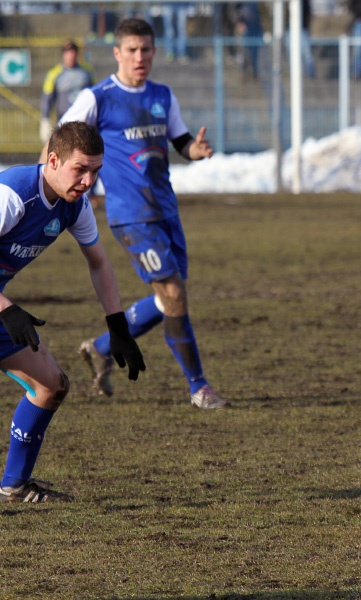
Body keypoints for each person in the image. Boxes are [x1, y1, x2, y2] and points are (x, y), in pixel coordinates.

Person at [41, 18, 227, 409]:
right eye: (132, 50)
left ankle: (102, 347)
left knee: (168, 298)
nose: (139, 57)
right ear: (117, 53)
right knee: (173, 293)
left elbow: (181, 143)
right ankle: (199, 387)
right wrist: (48, 189)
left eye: (146, 49)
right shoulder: (98, 97)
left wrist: (198, 150)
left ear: (154, 52)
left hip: (166, 210)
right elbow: (58, 140)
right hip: (130, 215)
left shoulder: (162, 95)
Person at [0, 122, 145, 502]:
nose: (88, 180)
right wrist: (8, 309)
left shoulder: (74, 206)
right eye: (80, 169)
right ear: (53, 160)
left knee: (51, 386)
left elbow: (99, 263)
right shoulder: (12, 195)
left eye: (95, 171)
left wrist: (117, 326)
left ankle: (14, 485)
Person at [40, 41, 93, 145]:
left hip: (83, 122)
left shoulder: (86, 72)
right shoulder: (54, 74)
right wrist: (45, 119)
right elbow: (47, 98)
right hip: (63, 121)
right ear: (63, 55)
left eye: (73, 52)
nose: (71, 56)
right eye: (68, 52)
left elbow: (94, 94)